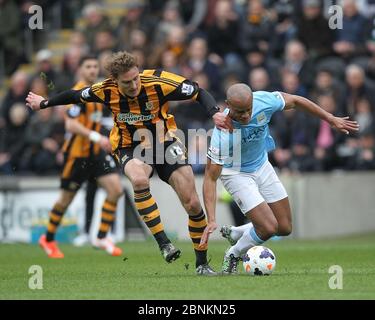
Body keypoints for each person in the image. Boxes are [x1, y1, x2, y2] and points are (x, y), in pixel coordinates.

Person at [26, 51, 232, 275]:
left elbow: (198, 91)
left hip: (164, 141)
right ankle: (164, 243)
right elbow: (75, 96)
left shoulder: (157, 81)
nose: (134, 85)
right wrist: (44, 103)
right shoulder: (104, 90)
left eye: (136, 78)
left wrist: (214, 113)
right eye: (127, 82)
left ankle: (201, 263)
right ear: (115, 81)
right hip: (129, 145)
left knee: (192, 204)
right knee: (139, 179)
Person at [200, 83, 359, 274]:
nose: (245, 115)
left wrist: (330, 119)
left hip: (262, 165)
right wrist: (211, 218)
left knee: (284, 227)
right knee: (267, 228)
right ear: (228, 105)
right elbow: (210, 177)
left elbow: (297, 100)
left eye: (248, 110)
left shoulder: (263, 101)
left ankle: (238, 232)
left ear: (253, 101)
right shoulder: (221, 133)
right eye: (239, 111)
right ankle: (234, 253)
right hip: (236, 174)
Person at [36, 55, 124, 258]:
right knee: (65, 200)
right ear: (81, 70)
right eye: (88, 66)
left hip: (95, 154)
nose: (93, 70)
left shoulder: (95, 93)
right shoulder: (77, 94)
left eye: (95, 66)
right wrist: (96, 137)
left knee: (116, 190)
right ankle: (48, 239)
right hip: (76, 156)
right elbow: (71, 124)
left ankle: (101, 236)